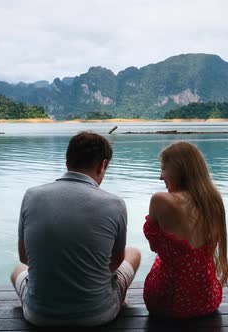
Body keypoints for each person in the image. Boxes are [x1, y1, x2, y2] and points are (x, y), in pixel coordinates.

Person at [10, 131, 141, 327]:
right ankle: (113, 300)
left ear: (67, 161)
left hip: (38, 315)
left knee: (18, 270)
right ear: (102, 165)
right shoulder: (115, 204)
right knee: (133, 253)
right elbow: (115, 263)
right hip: (99, 314)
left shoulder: (31, 196)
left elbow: (24, 257)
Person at [143, 141, 228, 318]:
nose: (161, 177)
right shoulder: (213, 201)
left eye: (163, 168)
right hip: (207, 300)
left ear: (177, 169)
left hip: (168, 302)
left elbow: (154, 247)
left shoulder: (161, 200)